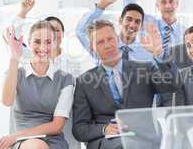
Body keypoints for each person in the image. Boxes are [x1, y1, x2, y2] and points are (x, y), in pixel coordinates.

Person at [72, 19, 181, 149]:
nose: (107, 45)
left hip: (143, 138)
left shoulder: (144, 69)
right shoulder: (84, 81)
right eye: (100, 42)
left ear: (118, 39)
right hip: (108, 142)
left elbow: (173, 84)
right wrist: (104, 129)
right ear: (92, 47)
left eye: (110, 39)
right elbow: (79, 128)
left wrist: (159, 52)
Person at [0, 21, 74, 149]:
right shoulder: (15, 73)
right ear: (29, 42)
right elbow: (7, 101)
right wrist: (14, 58)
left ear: (55, 43)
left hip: (52, 141)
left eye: (48, 42)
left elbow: (57, 125)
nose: (43, 48)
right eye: (37, 42)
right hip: (21, 142)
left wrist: (16, 135)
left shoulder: (66, 79)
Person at [76, 0, 153, 66]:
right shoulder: (103, 46)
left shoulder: (147, 52)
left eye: (137, 22)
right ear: (120, 20)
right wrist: (103, 4)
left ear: (141, 26)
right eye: (129, 19)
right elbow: (80, 32)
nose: (132, 25)